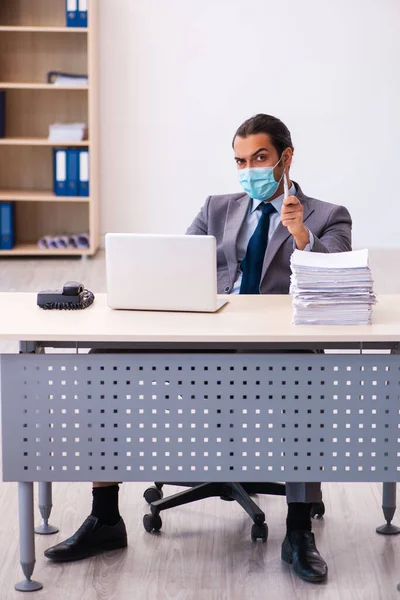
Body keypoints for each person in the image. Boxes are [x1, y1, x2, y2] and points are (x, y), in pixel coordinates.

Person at [45, 113, 352, 584]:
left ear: (285, 158)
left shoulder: (328, 215)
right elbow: (177, 267)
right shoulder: (217, 207)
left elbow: (336, 276)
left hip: (274, 352)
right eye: (240, 160)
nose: (248, 168)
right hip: (204, 341)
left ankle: (297, 531)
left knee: (306, 372)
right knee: (101, 363)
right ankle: (105, 517)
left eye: (260, 158)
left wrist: (300, 237)